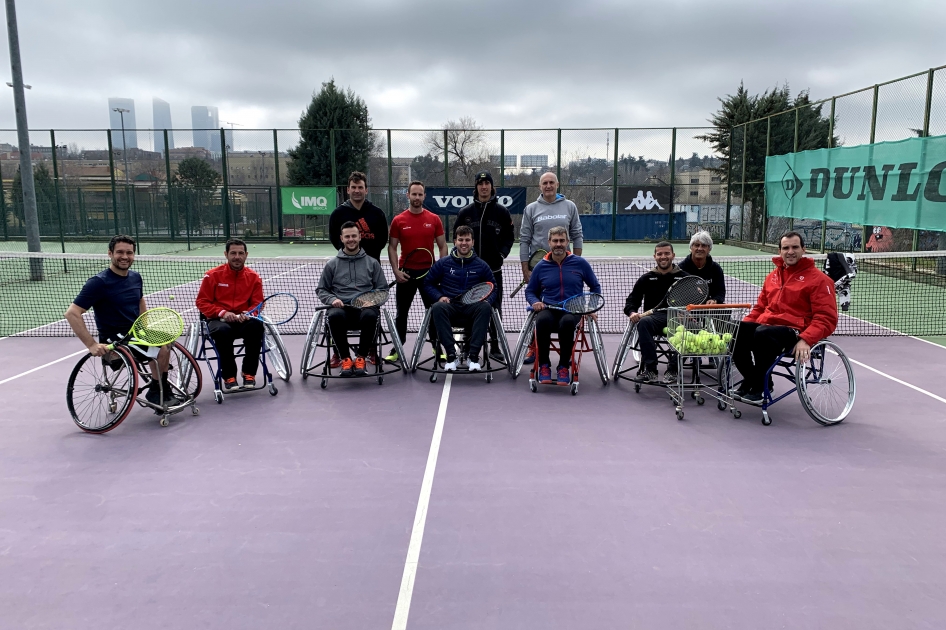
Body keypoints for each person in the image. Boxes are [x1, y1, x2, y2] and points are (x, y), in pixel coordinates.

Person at [65, 235, 174, 406]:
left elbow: (139, 300)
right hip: (114, 339)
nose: (125, 257)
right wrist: (92, 345)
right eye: (120, 252)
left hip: (134, 334)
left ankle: (159, 387)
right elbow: (72, 313)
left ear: (134, 255)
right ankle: (158, 391)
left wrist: (143, 327)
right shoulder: (98, 283)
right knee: (160, 347)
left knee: (166, 339)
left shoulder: (135, 277)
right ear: (110, 253)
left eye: (129, 253)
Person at [731, 231, 838, 403]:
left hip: (794, 332)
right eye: (786, 248)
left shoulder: (820, 280)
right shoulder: (772, 277)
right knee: (735, 331)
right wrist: (743, 330)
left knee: (762, 333)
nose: (790, 251)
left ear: (804, 249)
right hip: (766, 328)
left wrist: (805, 339)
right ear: (780, 251)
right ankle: (755, 380)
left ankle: (759, 386)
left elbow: (826, 318)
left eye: (795, 247)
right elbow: (759, 308)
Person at [519, 171, 583, 364]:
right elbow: (524, 239)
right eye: (544, 183)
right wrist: (525, 269)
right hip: (539, 268)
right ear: (540, 187)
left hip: (566, 266)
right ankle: (533, 347)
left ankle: (566, 353)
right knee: (538, 309)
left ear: (557, 185)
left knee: (568, 309)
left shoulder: (569, 206)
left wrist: (576, 263)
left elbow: (577, 234)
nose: (548, 186)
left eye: (551, 183)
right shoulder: (531, 209)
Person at [524, 226, 601, 386]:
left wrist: (591, 308)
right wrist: (535, 302)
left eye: (562, 241)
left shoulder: (580, 263)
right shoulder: (541, 266)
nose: (558, 244)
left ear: (567, 242)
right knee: (542, 321)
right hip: (549, 309)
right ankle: (544, 365)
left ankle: (563, 366)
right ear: (549, 243)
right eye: (555, 241)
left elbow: (595, 287)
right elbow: (530, 291)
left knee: (566, 323)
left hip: (573, 310)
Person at [455, 171, 515, 363]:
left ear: (491, 186)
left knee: (495, 308)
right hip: (469, 273)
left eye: (487, 183)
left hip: (493, 272)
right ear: (476, 187)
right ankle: (468, 344)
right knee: (469, 306)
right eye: (480, 183)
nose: (484, 187)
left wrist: (501, 254)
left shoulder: (502, 212)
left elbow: (509, 237)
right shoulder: (465, 213)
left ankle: (495, 345)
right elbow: (456, 236)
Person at [386, 180, 447, 361]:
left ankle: (437, 347)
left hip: (429, 274)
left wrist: (439, 268)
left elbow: (443, 246)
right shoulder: (398, 220)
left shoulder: (434, 219)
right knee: (401, 313)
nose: (417, 197)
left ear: (424, 196)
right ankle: (397, 347)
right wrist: (396, 271)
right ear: (408, 195)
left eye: (420, 194)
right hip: (406, 274)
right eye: (414, 194)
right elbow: (392, 247)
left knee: (434, 311)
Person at [317, 222, 387, 377]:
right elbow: (322, 290)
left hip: (365, 309)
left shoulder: (372, 263)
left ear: (360, 237)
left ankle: (361, 358)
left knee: (370, 315)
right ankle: (346, 359)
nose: (351, 239)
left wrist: (372, 300)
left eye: (354, 236)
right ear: (341, 238)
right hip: (341, 309)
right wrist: (332, 299)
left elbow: (382, 290)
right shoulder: (332, 264)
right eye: (347, 236)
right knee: (333, 316)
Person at [423, 225, 496, 372]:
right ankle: (451, 355)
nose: (464, 243)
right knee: (437, 307)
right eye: (460, 240)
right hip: (450, 307)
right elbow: (428, 283)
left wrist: (488, 300)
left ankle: (473, 356)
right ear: (455, 242)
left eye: (467, 240)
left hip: (472, 308)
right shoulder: (443, 263)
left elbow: (493, 286)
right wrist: (439, 296)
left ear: (473, 242)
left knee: (486, 307)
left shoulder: (482, 265)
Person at [196, 238, 265, 390]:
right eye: (233, 253)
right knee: (222, 331)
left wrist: (249, 313)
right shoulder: (212, 275)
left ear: (246, 255)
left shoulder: (254, 278)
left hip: (243, 320)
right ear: (226, 254)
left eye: (241, 253)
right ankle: (229, 376)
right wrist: (222, 312)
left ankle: (249, 373)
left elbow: (258, 303)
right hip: (218, 320)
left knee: (256, 326)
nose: (237, 257)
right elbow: (202, 302)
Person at [623, 241, 689, 384]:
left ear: (673, 255)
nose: (663, 257)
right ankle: (650, 370)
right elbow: (632, 301)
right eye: (659, 254)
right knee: (643, 322)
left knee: (689, 330)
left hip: (678, 319)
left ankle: (673, 370)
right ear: (655, 256)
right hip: (654, 318)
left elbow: (696, 302)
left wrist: (688, 313)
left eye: (667, 253)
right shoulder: (646, 278)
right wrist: (632, 312)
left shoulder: (685, 278)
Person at [329, 171, 389, 261]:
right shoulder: (337, 214)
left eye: (360, 187)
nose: (357, 191)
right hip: (347, 264)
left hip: (372, 265)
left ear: (366, 190)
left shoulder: (377, 213)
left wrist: (369, 254)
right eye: (353, 187)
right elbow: (334, 238)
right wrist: (349, 253)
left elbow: (382, 240)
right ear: (348, 190)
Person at [678, 230, 725, 304]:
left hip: (709, 308)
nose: (700, 248)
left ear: (709, 249)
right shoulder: (681, 269)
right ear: (691, 248)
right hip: (687, 308)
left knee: (726, 312)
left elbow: (720, 291)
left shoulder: (716, 268)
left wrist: (714, 300)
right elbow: (677, 294)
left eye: (703, 245)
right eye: (696, 245)